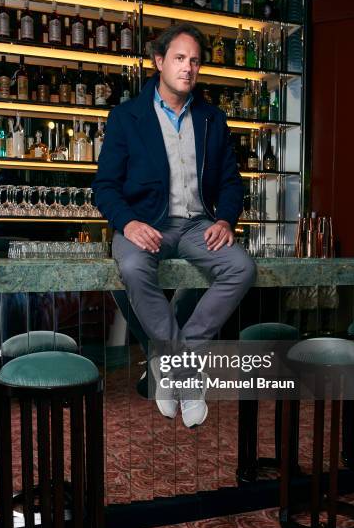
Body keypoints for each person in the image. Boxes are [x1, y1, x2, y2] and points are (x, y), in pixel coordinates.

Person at [93, 23, 256, 428]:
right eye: (180, 58)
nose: (188, 68)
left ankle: (174, 362)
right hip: (146, 223)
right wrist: (127, 223)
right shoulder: (127, 117)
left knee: (242, 268)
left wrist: (225, 218)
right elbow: (104, 187)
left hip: (199, 225)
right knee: (131, 267)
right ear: (159, 61)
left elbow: (231, 182)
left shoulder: (212, 119)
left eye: (195, 61)